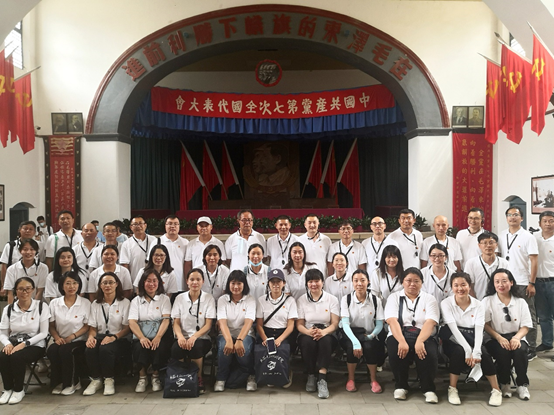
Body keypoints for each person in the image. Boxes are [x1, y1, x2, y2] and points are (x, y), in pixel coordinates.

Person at [439, 272, 502, 406]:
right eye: (456, 285)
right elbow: (453, 329)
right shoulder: (446, 303)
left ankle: (496, 390)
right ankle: (452, 389)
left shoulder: (478, 304)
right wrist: (468, 350)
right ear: (452, 287)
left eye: (463, 285)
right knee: (458, 352)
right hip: (453, 339)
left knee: (484, 354)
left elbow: (479, 329)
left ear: (469, 286)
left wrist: (476, 350)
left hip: (473, 337)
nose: (460, 288)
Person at [384, 267, 439, 403]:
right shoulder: (394, 297)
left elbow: (430, 322)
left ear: (422, 283)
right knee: (396, 349)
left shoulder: (429, 299)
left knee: (428, 353)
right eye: (408, 280)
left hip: (424, 334)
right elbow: (392, 321)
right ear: (402, 282)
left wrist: (420, 341)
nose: (412, 284)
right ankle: (401, 385)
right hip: (400, 333)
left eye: (416, 281)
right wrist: (402, 341)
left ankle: (428, 388)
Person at [482, 269, 532, 400]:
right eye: (497, 282)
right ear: (493, 284)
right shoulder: (487, 301)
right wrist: (499, 338)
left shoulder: (520, 302)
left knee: (520, 351)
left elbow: (526, 326)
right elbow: (485, 325)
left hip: (516, 336)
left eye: (504, 281)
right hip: (495, 337)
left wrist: (516, 338)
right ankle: (504, 383)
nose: (501, 285)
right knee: (502, 351)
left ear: (511, 282)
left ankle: (522, 384)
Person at [0, 277, 50, 405]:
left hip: (35, 345)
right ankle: (8, 389)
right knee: (3, 356)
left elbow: (44, 333)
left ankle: (18, 390)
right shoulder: (9, 309)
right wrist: (7, 344)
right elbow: (3, 333)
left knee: (17, 357)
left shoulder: (41, 306)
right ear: (16, 291)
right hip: (14, 342)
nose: (25, 292)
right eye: (21, 289)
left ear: (33, 290)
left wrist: (24, 344)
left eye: (28, 289)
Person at [497, 206, 539, 360]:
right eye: (509, 215)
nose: (512, 217)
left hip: (522, 282)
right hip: (505, 282)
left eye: (515, 215)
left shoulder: (528, 237)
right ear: (506, 218)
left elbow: (534, 261)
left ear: (522, 218)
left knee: (528, 315)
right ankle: (511, 344)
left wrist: (532, 283)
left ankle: (531, 348)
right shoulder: (502, 235)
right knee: (507, 314)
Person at [83, 272, 131, 396]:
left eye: (111, 282)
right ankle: (96, 380)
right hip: (100, 336)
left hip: (119, 338)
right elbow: (93, 327)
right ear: (100, 285)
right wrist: (90, 337)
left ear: (116, 284)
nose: (107, 285)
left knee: (106, 349)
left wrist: (114, 337)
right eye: (104, 283)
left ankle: (109, 379)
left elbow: (127, 328)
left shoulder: (125, 302)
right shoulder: (95, 303)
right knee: (90, 348)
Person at [296, 269, 339, 399]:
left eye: (317, 281)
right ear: (306, 283)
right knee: (307, 342)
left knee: (325, 341)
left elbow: (335, 323)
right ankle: (311, 375)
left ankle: (322, 378)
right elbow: (299, 324)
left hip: (327, 331)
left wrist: (323, 332)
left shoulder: (332, 299)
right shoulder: (301, 300)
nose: (314, 284)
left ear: (322, 282)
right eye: (310, 281)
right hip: (308, 331)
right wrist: (309, 332)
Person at [171, 268, 216, 394]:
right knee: (176, 348)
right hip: (182, 337)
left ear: (203, 282)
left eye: (198, 279)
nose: (195, 282)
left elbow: (208, 325)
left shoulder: (208, 298)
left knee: (196, 347)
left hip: (201, 338)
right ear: (187, 281)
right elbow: (176, 322)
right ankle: (181, 378)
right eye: (192, 279)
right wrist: (180, 337)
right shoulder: (179, 298)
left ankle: (198, 377)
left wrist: (194, 337)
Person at [340, 269, 385, 393]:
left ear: (368, 282)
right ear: (352, 282)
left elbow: (379, 323)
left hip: (369, 334)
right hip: (350, 335)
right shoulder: (346, 299)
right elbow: (345, 324)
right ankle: (351, 379)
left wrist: (371, 336)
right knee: (351, 348)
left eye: (362, 280)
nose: (359, 283)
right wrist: (355, 342)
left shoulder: (375, 300)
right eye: (356, 281)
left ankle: (373, 379)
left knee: (370, 347)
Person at [47, 271, 91, 395]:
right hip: (61, 339)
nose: (71, 286)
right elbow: (51, 326)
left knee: (66, 351)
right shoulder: (54, 303)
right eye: (68, 283)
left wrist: (72, 336)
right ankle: (58, 382)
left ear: (79, 285)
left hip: (79, 340)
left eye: (74, 283)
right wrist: (57, 338)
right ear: (62, 286)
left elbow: (87, 326)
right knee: (52, 350)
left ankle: (72, 382)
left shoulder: (85, 303)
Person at [129, 269, 172, 393]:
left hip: (159, 333)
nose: (151, 284)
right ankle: (142, 377)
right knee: (139, 347)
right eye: (148, 281)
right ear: (143, 283)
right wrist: (142, 338)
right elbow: (132, 322)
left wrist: (158, 337)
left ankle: (155, 376)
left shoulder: (164, 299)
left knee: (159, 346)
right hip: (141, 334)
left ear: (159, 283)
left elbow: (166, 320)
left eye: (154, 281)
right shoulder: (136, 300)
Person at [215, 270, 257, 392]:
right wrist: (229, 340)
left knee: (244, 349)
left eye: (239, 283)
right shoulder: (222, 299)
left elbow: (248, 322)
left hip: (245, 334)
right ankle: (221, 378)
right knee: (223, 348)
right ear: (228, 284)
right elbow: (222, 322)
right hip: (226, 333)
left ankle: (250, 376)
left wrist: (239, 340)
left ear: (244, 285)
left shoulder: (250, 300)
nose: (236, 287)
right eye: (233, 283)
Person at [256, 268, 297, 388]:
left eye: (278, 281)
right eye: (272, 282)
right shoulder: (261, 300)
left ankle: (285, 374)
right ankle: (269, 375)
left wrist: (279, 339)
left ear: (283, 283)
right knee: (266, 350)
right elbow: (259, 324)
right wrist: (265, 339)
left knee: (282, 349)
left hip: (283, 333)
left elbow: (290, 326)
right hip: (266, 332)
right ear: (268, 283)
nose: (275, 285)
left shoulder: (290, 301)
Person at [463, 232, 509, 300]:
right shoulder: (471, 263)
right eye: (484, 243)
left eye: (491, 243)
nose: (488, 246)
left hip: (499, 302)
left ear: (496, 245)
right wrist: (476, 302)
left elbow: (507, 284)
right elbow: (469, 285)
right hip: (478, 301)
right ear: (479, 245)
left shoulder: (504, 263)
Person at [1, 221, 42, 295]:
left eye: (31, 229)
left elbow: (42, 262)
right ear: (19, 230)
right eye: (25, 229)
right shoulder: (11, 246)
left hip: (34, 285)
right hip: (14, 286)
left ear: (34, 232)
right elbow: (4, 266)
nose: (28, 231)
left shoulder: (40, 245)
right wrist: (4, 286)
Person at [3, 238, 48, 303]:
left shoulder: (43, 268)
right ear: (20, 251)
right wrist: (11, 307)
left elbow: (40, 291)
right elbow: (10, 292)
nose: (28, 252)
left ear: (36, 251)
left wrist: (34, 306)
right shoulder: (11, 269)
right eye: (25, 249)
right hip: (17, 302)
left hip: (36, 302)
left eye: (32, 249)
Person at [534, 211, 554, 353]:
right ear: (539, 223)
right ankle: (547, 342)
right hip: (538, 282)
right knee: (543, 316)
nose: (548, 224)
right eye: (545, 221)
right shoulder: (534, 238)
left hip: (553, 282)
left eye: (551, 221)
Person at [119, 216, 158, 282]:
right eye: (135, 224)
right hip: (135, 279)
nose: (138, 226)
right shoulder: (126, 244)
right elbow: (125, 265)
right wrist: (128, 282)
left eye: (140, 223)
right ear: (131, 227)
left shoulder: (154, 240)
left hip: (153, 281)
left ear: (145, 225)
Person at [157, 215, 188, 291]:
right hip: (162, 285)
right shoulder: (157, 242)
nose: (173, 226)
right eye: (170, 223)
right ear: (165, 225)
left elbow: (188, 264)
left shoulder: (185, 243)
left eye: (175, 224)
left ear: (179, 226)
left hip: (181, 285)